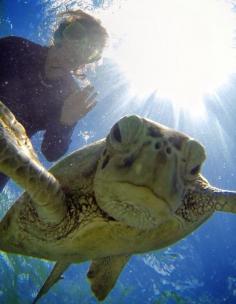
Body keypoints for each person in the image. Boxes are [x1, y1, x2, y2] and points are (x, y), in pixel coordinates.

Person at [0, 9, 108, 191]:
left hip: (5, 157)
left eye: (75, 59)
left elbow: (50, 152)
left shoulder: (69, 97)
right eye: (76, 36)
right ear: (60, 36)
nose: (66, 59)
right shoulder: (15, 49)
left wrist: (66, 122)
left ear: (82, 63)